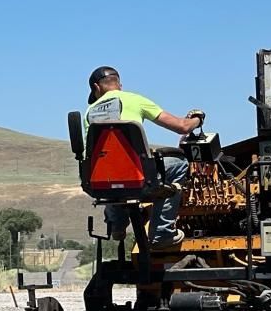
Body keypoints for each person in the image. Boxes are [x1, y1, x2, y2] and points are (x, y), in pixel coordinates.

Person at [84, 66, 204, 248]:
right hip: (137, 175)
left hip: (100, 180)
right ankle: (162, 232)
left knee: (111, 175)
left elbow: (91, 155)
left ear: (96, 87)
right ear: (119, 85)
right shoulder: (135, 100)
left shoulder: (89, 113)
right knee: (179, 163)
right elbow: (182, 127)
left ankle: (117, 224)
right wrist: (197, 119)